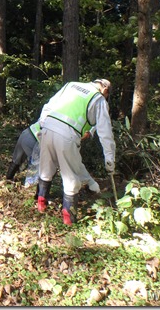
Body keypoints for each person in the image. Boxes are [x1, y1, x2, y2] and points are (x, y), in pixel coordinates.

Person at [36, 79, 116, 226]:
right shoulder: (98, 99)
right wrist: (109, 158)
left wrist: (43, 126)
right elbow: (105, 131)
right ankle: (68, 218)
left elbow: (48, 105)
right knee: (71, 176)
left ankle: (41, 203)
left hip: (48, 127)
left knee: (46, 168)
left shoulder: (71, 85)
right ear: (105, 90)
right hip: (67, 136)